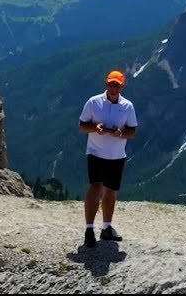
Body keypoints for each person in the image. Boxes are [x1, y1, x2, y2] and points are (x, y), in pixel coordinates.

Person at [77, 69, 137, 248]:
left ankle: (106, 228)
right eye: (111, 84)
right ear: (106, 84)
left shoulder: (128, 106)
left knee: (111, 191)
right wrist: (95, 128)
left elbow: (132, 131)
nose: (113, 88)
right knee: (96, 187)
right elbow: (82, 125)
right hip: (96, 152)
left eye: (116, 85)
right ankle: (89, 229)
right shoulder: (93, 102)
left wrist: (121, 133)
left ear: (122, 86)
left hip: (117, 155)